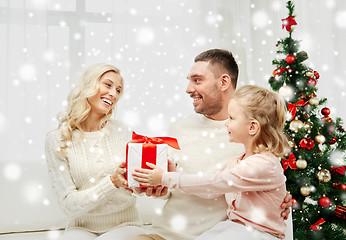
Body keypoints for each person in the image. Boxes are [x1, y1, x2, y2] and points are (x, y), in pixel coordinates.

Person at [125, 49, 292, 240]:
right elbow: (169, 187)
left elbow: (224, 183)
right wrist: (154, 184)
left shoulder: (249, 140)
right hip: (165, 234)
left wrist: (282, 201)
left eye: (197, 80)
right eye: (189, 80)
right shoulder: (180, 129)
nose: (188, 89)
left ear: (223, 82)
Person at [45, 63, 146, 240]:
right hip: (80, 228)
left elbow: (137, 186)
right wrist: (112, 183)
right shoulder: (57, 139)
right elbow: (68, 205)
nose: (114, 94)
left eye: (118, 90)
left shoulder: (123, 132)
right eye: (108, 85)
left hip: (126, 225)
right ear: (88, 86)